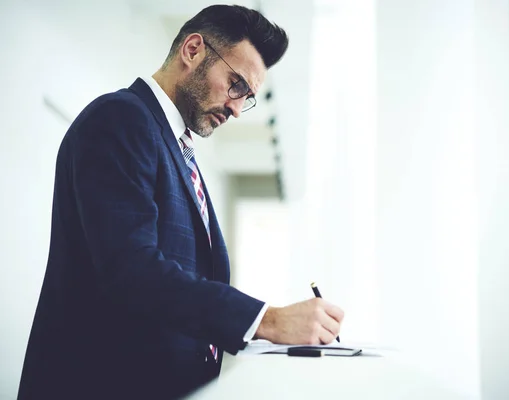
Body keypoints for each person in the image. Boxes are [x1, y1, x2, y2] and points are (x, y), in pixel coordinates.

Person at [17, 5, 344, 400]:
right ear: (193, 50)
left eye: (249, 97)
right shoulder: (121, 119)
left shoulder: (175, 145)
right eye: (236, 84)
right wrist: (266, 320)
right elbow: (133, 272)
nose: (238, 108)